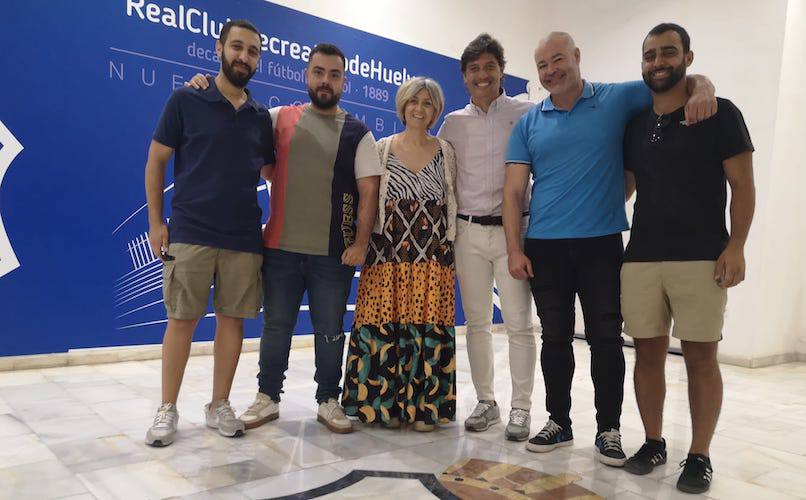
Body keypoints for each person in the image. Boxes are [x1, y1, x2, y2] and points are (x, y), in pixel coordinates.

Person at [502, 31, 716, 466]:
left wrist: (706, 85)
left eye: (558, 60)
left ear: (577, 56)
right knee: (555, 339)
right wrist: (514, 249)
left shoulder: (616, 98)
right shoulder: (529, 122)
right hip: (544, 246)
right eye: (542, 65)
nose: (550, 71)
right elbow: (512, 194)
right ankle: (559, 421)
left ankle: (608, 429)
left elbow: (673, 81)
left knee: (605, 339)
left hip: (601, 243)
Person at [189, 43, 383, 434]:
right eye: (318, 72)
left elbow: (369, 194)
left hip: (332, 255)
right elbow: (242, 130)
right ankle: (267, 398)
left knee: (330, 329)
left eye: (333, 74)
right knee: (276, 327)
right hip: (279, 249)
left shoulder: (359, 133)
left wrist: (360, 244)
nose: (325, 81)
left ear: (344, 81)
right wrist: (203, 87)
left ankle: (328, 399)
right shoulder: (277, 119)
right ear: (305, 75)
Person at [621, 23, 754, 494]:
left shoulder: (720, 113)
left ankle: (699, 454)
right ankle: (654, 441)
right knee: (647, 355)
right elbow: (626, 188)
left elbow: (743, 186)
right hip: (640, 259)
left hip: (701, 256)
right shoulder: (636, 123)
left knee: (701, 357)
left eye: (668, 53)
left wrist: (735, 246)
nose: (658, 62)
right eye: (650, 55)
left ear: (688, 58)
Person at [144, 20, 274, 447]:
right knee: (181, 320)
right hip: (191, 232)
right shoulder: (186, 99)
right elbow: (156, 160)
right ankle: (167, 407)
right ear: (219, 48)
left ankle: (219, 403)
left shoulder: (260, 118)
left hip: (242, 238)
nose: (244, 56)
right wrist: (155, 222)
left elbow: (272, 173)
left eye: (253, 51)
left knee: (231, 322)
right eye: (237, 47)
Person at [341, 77, 458, 432]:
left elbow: (452, 202)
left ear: (436, 110)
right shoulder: (383, 148)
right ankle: (382, 408)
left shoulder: (446, 151)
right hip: (386, 254)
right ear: (402, 105)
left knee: (427, 329)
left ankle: (425, 409)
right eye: (413, 101)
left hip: (432, 257)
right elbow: (367, 198)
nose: (419, 109)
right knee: (380, 326)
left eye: (427, 103)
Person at [437, 34, 537, 442]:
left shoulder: (526, 112)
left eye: (489, 67)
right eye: (474, 69)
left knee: (519, 324)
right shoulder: (452, 124)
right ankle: (487, 402)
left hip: (515, 233)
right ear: (464, 77)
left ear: (501, 70)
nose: (482, 75)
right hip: (468, 234)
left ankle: (521, 408)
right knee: (477, 323)